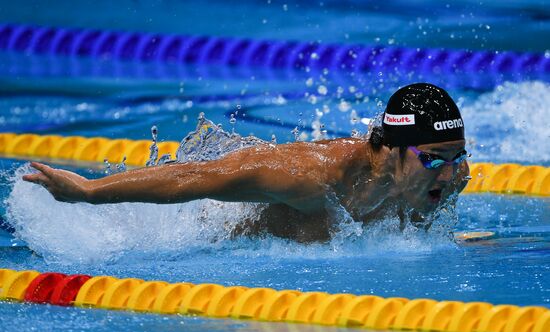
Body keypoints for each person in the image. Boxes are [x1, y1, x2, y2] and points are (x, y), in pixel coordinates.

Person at [23, 83, 470, 242]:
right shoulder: (313, 177)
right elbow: (197, 177)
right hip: (206, 234)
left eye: (456, 157)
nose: (450, 173)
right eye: (434, 160)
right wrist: (87, 192)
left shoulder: (448, 179)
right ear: (392, 150)